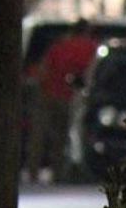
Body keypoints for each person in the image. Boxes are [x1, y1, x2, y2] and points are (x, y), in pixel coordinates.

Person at [25, 18, 98, 184]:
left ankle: (32, 173)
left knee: (38, 135)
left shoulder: (58, 47)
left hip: (47, 94)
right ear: (87, 31)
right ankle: (56, 173)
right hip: (70, 97)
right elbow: (92, 73)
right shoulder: (92, 47)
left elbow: (43, 69)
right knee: (61, 136)